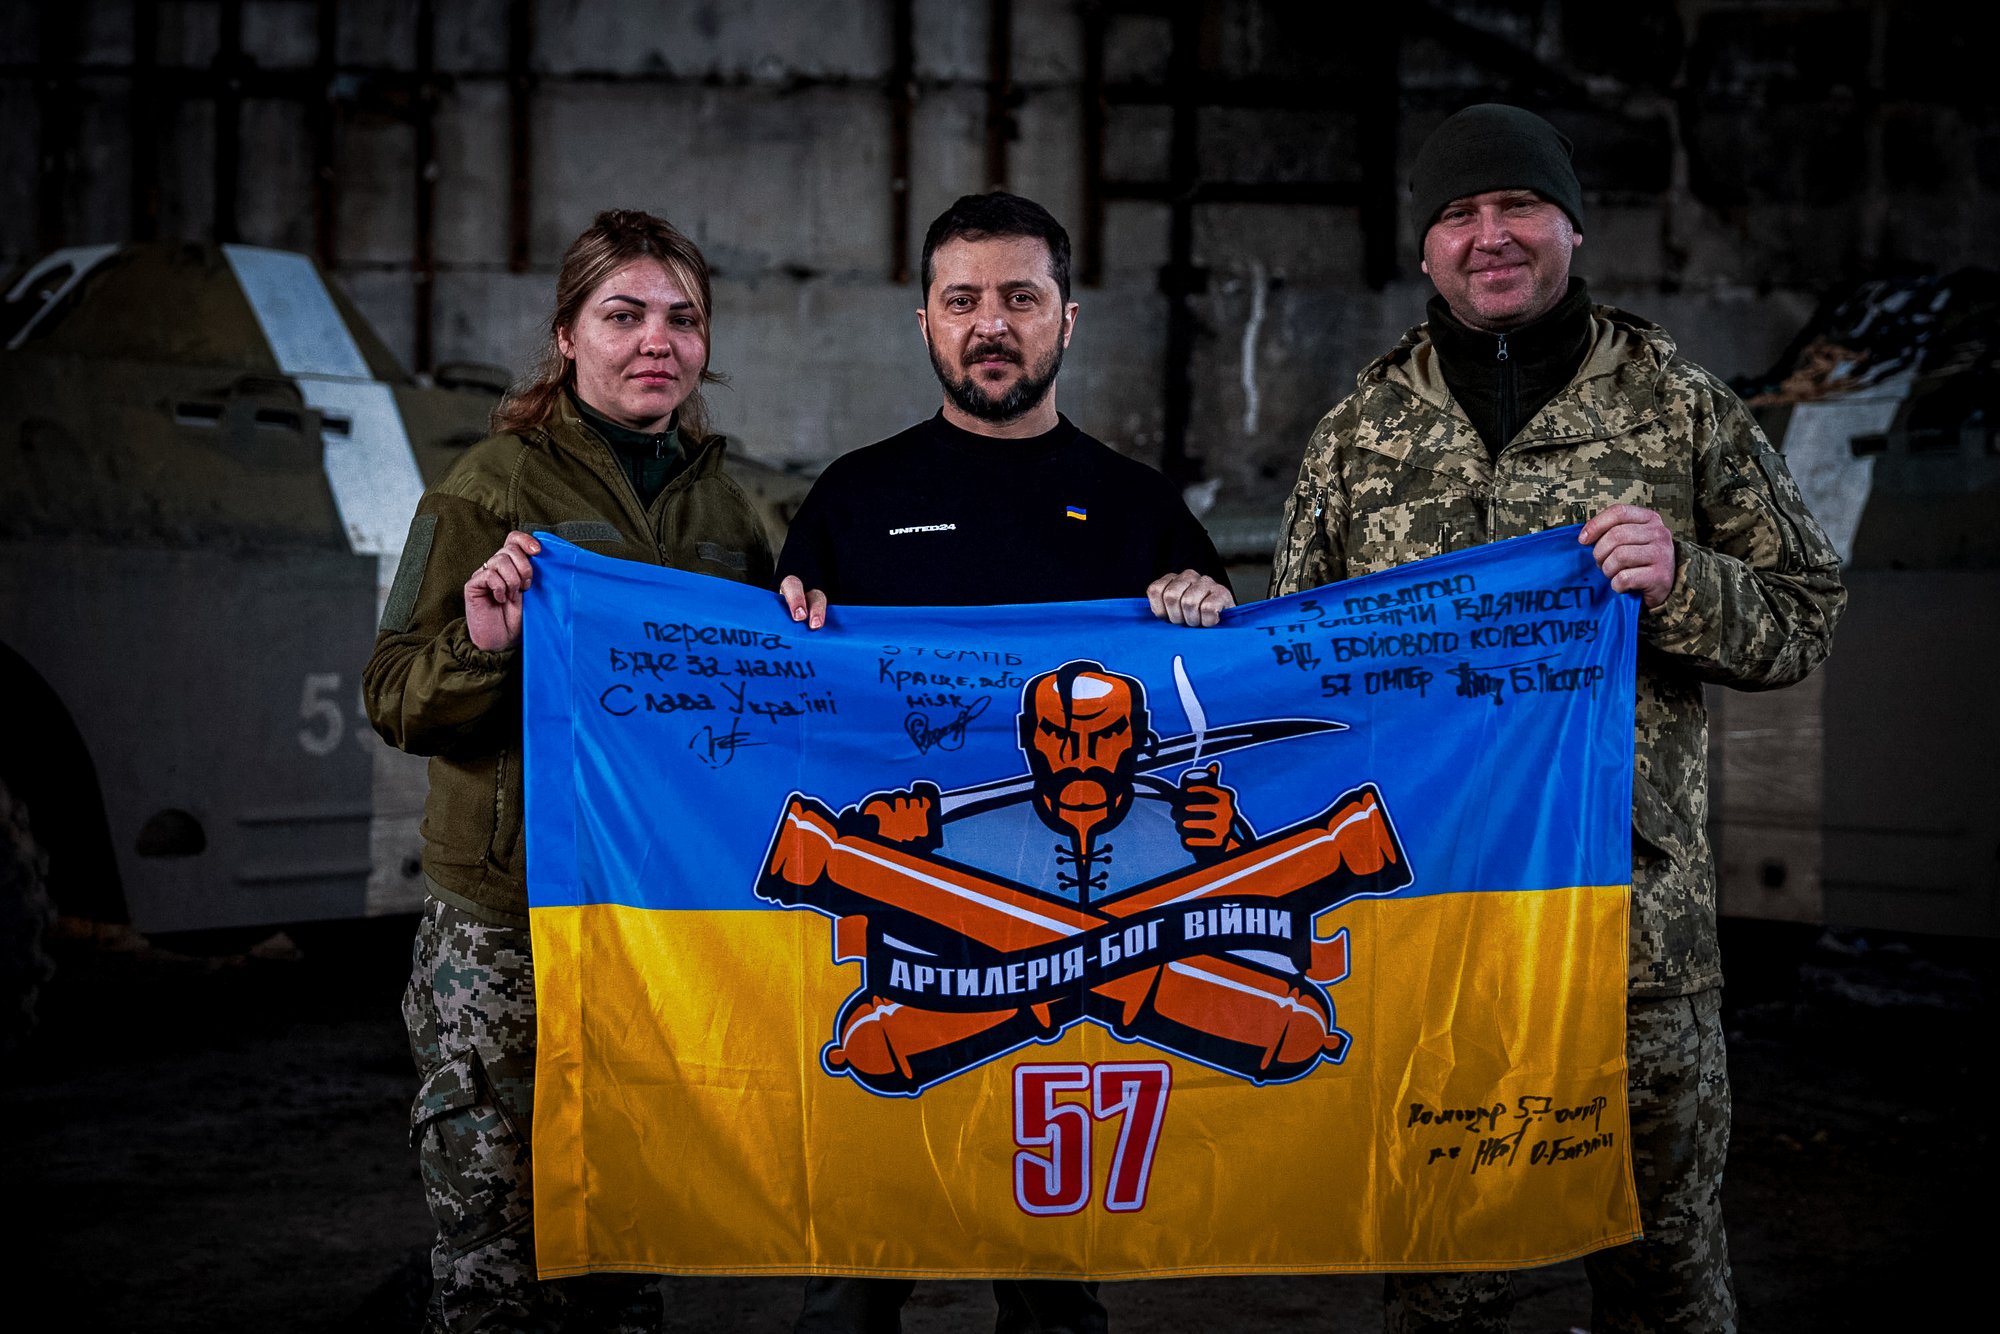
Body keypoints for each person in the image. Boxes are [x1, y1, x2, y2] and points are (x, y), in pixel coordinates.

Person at [1268, 104, 1846, 1332]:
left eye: (1515, 206)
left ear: (1570, 225)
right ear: (1422, 249)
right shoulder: (1357, 437)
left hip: (1629, 952)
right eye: (1456, 215)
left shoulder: (1679, 407)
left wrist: (1683, 579)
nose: (1489, 236)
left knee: (1665, 1287)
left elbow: (1804, 615)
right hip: (1431, 950)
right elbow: (1295, 679)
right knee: (1441, 1296)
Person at [777, 190, 1233, 1334]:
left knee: (1052, 1292)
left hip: (1083, 946)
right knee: (852, 1272)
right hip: (895, 951)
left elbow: (1207, 710)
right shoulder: (851, 499)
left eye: (1019, 298)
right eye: (962, 299)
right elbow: (784, 707)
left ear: (1066, 320)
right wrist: (782, 629)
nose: (991, 323)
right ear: (922, 322)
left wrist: (1204, 607)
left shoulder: (1139, 509)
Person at [363, 209, 774, 1332]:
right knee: (493, 1255)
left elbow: (777, 707)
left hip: (657, 928)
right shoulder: (488, 489)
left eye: (682, 319)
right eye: (623, 313)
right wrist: (482, 644)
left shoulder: (739, 514)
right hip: (505, 927)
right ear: (565, 335)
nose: (656, 340)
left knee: (623, 1252)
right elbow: (395, 695)